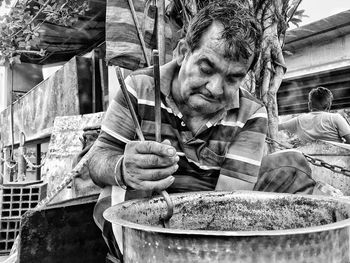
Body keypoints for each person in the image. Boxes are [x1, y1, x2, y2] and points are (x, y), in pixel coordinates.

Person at [87, 2, 274, 262]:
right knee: (126, 189)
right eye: (206, 69)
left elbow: (227, 206)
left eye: (232, 78)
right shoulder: (138, 89)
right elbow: (96, 161)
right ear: (183, 52)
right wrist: (122, 168)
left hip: (207, 229)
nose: (215, 88)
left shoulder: (250, 114)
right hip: (135, 230)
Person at [279, 86, 350, 144]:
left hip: (308, 160)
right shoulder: (335, 118)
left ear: (309, 105)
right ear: (329, 106)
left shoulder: (299, 120)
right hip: (335, 160)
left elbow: (276, 127)